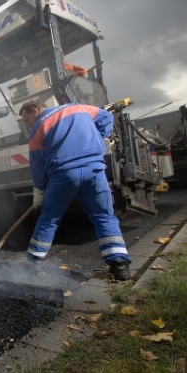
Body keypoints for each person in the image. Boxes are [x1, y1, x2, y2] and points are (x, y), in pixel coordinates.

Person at [18, 99, 131, 281]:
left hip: (63, 175)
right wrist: (95, 137)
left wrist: (39, 191)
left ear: (35, 110)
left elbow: (37, 166)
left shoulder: (39, 127)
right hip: (94, 170)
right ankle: (120, 266)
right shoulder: (80, 108)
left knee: (49, 219)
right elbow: (106, 117)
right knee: (104, 215)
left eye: (26, 119)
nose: (28, 124)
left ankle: (33, 263)